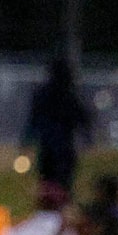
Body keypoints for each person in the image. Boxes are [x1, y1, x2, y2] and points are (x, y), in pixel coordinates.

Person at [25, 56, 93, 202]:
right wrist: (87, 137)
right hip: (64, 148)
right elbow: (83, 118)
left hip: (48, 147)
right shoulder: (70, 95)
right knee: (64, 185)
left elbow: (33, 119)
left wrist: (27, 139)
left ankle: (49, 211)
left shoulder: (43, 94)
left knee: (48, 183)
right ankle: (62, 211)